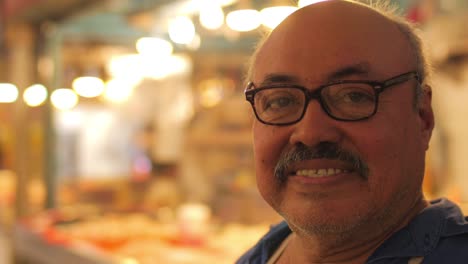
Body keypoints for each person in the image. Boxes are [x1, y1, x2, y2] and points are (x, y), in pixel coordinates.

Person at [236, 0, 468, 263]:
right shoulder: (260, 255)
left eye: (354, 96)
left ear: (423, 118)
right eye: (280, 101)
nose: (311, 133)